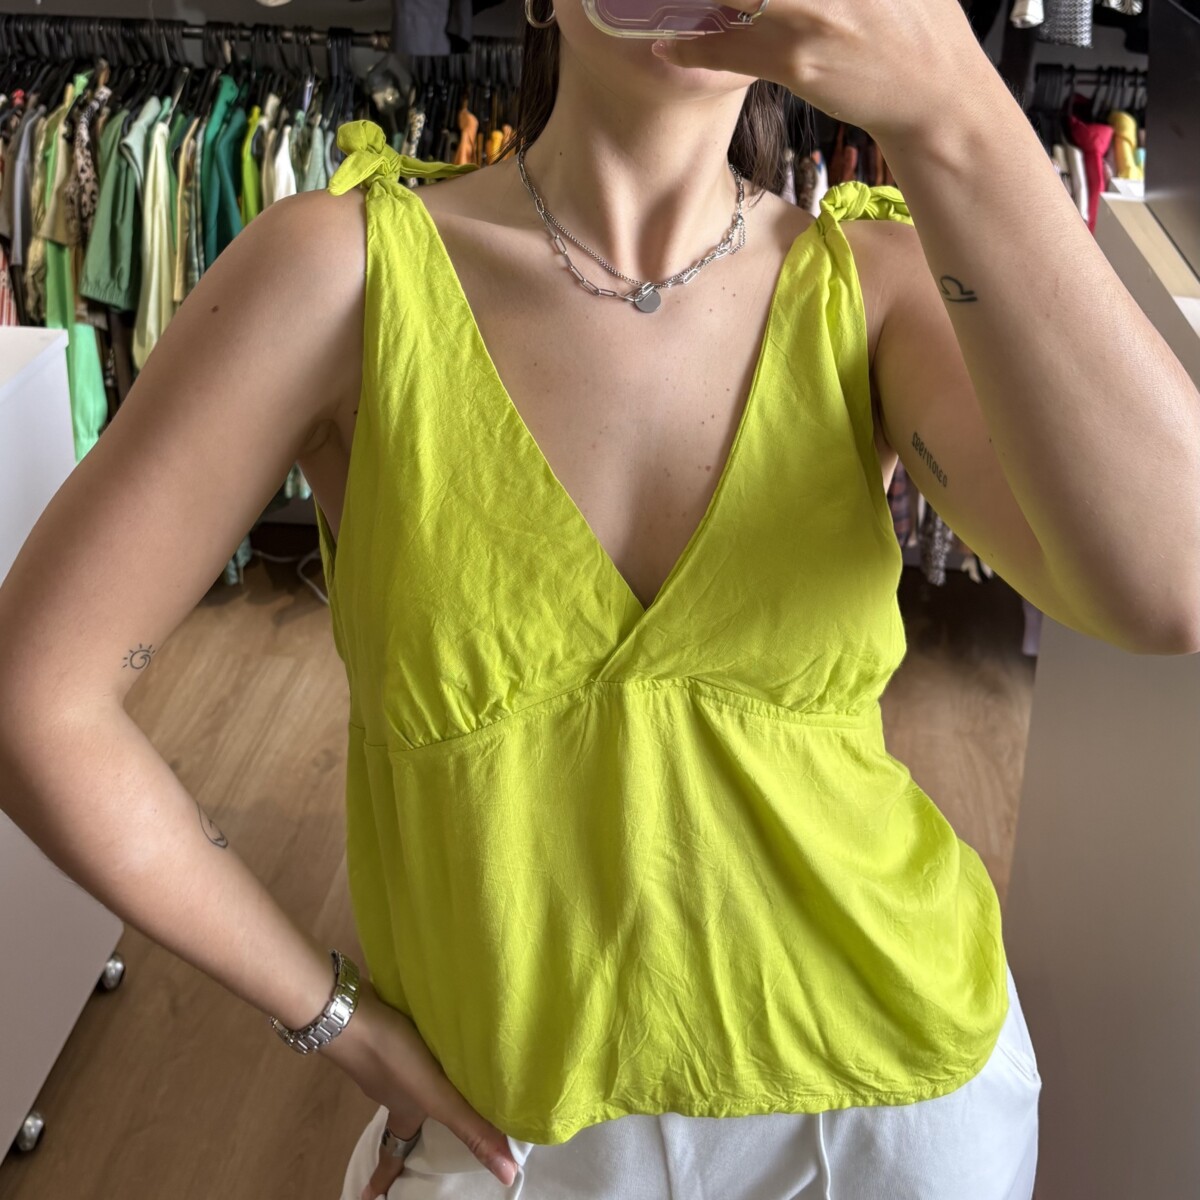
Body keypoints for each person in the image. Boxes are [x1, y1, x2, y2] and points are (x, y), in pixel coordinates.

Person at [0, 0, 1196, 1197]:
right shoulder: (346, 274)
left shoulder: (868, 287)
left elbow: (1171, 585)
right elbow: (35, 704)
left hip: (889, 1107)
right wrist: (336, 1019)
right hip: (506, 1128)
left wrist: (957, 106)